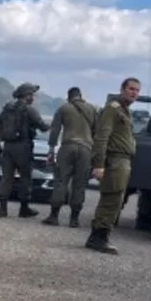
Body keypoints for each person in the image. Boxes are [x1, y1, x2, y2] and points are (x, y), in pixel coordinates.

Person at [87, 77, 141, 254]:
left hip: (123, 160)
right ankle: (99, 237)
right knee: (112, 199)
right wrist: (99, 164)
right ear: (122, 89)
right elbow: (102, 136)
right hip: (115, 160)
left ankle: (100, 235)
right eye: (131, 89)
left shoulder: (125, 111)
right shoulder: (113, 109)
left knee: (115, 199)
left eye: (137, 90)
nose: (134, 93)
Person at [0, 82, 50, 218]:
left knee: (6, 178)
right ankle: (24, 209)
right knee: (25, 178)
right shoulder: (29, 110)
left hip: (7, 147)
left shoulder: (7, 108)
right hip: (23, 148)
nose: (33, 97)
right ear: (26, 95)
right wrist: (53, 125)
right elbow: (42, 126)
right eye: (31, 94)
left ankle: (3, 209)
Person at [44, 86, 97, 228]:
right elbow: (97, 131)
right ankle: (74, 219)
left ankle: (54, 216)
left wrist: (51, 149)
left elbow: (55, 130)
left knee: (61, 180)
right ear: (80, 95)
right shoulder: (92, 109)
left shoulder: (64, 108)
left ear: (69, 97)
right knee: (79, 184)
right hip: (86, 149)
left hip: (68, 146)